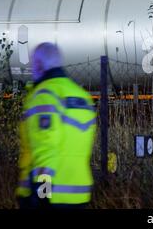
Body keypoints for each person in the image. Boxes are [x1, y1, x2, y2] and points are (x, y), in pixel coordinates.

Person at [16, 42, 96, 209]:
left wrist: (43, 193)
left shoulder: (45, 95)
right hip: (80, 194)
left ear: (38, 65)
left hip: (50, 197)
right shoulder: (82, 96)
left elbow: (46, 147)